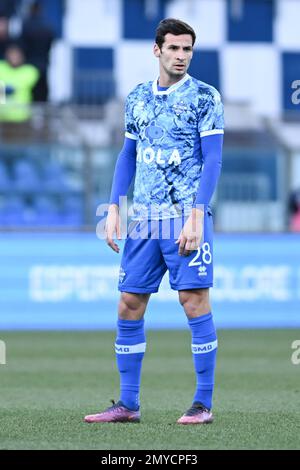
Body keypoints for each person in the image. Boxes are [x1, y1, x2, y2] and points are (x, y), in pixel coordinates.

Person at [84, 18, 224, 425]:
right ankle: (127, 404)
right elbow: (128, 155)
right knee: (129, 303)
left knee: (193, 301)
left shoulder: (205, 97)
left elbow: (212, 158)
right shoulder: (137, 98)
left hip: (184, 217)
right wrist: (114, 207)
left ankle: (202, 403)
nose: (181, 56)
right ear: (157, 50)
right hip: (144, 220)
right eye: (174, 48)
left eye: (188, 49)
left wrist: (197, 214)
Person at [0, 43, 39, 123]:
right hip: (2, 116)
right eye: (12, 55)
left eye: (17, 55)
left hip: (21, 116)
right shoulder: (1, 67)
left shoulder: (30, 70)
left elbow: (21, 85)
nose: (14, 58)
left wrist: (6, 88)